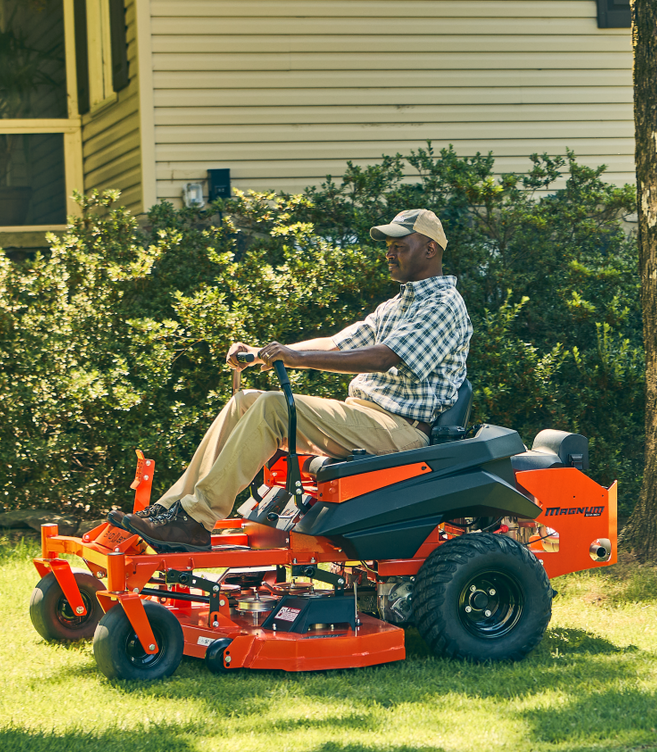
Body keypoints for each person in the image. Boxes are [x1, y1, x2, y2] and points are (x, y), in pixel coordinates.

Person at [111, 208, 471, 552]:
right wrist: (261, 353)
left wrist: (295, 358)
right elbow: (335, 344)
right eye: (388, 246)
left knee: (273, 408)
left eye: (399, 245)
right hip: (369, 417)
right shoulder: (397, 305)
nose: (390, 253)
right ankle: (171, 510)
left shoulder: (443, 304)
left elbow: (384, 358)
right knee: (247, 400)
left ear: (429, 249)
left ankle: (196, 519)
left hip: (403, 432)